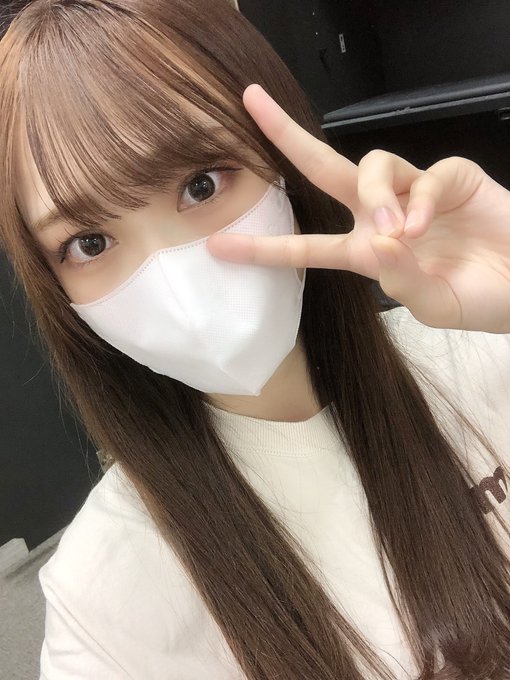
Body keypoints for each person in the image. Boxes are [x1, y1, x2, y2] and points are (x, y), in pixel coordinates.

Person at [1, 1, 510, 678]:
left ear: (281, 165)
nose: (180, 287)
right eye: (89, 243)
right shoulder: (104, 596)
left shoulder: (479, 357)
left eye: (200, 184)